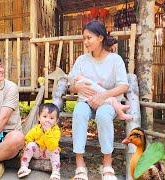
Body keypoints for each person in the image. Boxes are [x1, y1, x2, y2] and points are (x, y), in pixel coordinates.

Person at [68, 20, 129, 180]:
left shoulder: (115, 60)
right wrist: (78, 88)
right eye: (84, 38)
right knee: (79, 112)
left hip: (108, 102)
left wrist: (103, 96)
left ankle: (107, 164)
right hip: (86, 101)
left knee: (103, 115)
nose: (86, 42)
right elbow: (72, 86)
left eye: (89, 38)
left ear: (100, 38)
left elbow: (124, 86)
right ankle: (80, 164)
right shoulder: (82, 60)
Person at [17, 103, 61, 180]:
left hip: (48, 154)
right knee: (30, 145)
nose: (47, 120)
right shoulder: (36, 129)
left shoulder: (56, 131)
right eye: (44, 116)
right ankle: (23, 167)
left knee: (55, 150)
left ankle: (55, 172)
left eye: (51, 118)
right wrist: (31, 145)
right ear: (39, 117)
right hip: (38, 152)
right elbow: (28, 137)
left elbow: (52, 146)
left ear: (56, 121)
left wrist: (48, 132)